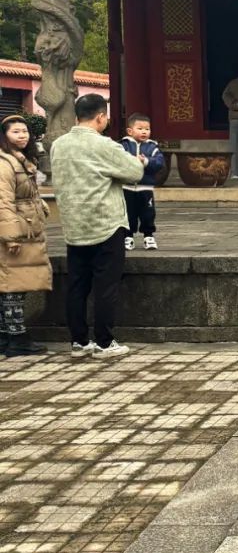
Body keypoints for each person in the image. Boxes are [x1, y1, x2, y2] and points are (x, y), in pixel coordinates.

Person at [50, 94, 145, 359]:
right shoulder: (104, 145)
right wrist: (137, 162)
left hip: (74, 224)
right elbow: (134, 173)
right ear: (101, 117)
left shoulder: (58, 145)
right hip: (105, 223)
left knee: (77, 285)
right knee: (106, 285)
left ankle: (79, 341)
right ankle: (104, 342)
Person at [0, 113, 51, 356]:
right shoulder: (5, 163)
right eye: (15, 132)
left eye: (25, 131)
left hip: (26, 226)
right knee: (13, 285)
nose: (22, 136)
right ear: (4, 136)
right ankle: (17, 337)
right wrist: (11, 236)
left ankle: (5, 337)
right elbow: (3, 202)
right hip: (16, 231)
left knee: (12, 284)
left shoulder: (20, 159)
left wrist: (41, 206)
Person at [121, 113, 165, 251]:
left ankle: (148, 236)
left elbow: (159, 163)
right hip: (127, 187)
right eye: (140, 128)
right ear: (130, 131)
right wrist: (132, 161)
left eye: (147, 129)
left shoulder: (152, 147)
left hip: (145, 188)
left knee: (148, 212)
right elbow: (118, 161)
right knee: (128, 213)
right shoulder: (123, 146)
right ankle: (128, 236)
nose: (144, 132)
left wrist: (145, 161)